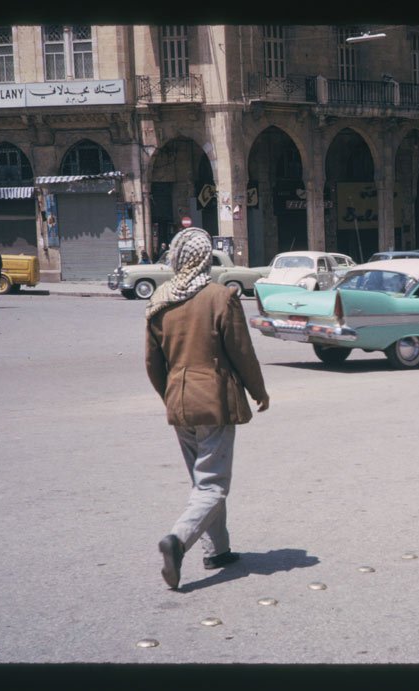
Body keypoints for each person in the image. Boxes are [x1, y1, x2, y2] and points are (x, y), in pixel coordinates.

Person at [145, 227, 270, 590]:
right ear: (204, 258)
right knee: (213, 485)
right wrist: (258, 391)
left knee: (203, 481)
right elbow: (241, 352)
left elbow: (153, 364)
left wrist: (171, 394)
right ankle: (178, 540)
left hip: (178, 400)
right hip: (213, 399)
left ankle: (218, 549)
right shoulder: (220, 297)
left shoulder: (160, 299)